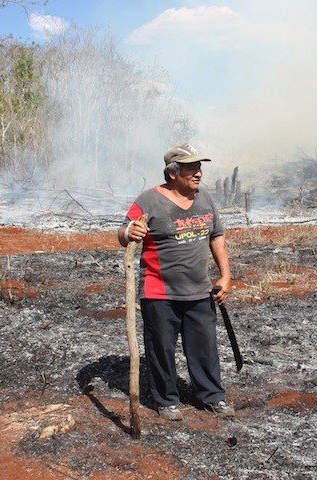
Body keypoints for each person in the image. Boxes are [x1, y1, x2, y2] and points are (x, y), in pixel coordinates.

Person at [117, 144, 234, 421]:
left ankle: (212, 395)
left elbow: (216, 236)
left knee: (205, 347)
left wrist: (226, 275)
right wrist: (128, 231)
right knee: (161, 349)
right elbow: (122, 234)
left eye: (199, 167)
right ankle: (166, 400)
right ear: (173, 173)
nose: (199, 173)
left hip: (200, 290)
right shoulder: (149, 201)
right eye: (191, 168)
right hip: (159, 291)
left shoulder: (205, 199)